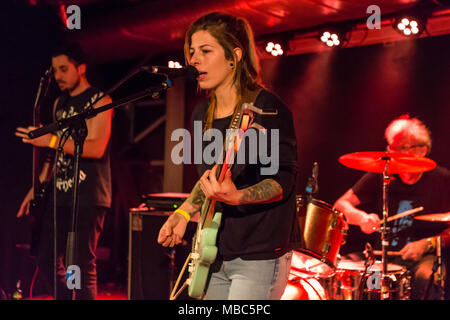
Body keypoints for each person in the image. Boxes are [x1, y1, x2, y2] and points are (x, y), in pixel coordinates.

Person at [157, 12, 299, 300]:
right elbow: (210, 178)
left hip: (258, 252)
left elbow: (283, 180)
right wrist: (184, 213)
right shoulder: (201, 113)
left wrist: (238, 197)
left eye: (206, 51)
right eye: (191, 52)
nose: (194, 60)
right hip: (214, 250)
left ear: (234, 56)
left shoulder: (266, 108)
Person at [15, 43, 113, 300]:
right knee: (45, 256)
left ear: (80, 68)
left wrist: (49, 140)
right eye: (54, 70)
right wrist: (35, 186)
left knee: (80, 263)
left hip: (89, 194)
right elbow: (56, 153)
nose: (57, 76)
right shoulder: (61, 102)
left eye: (63, 69)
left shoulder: (100, 100)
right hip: (59, 193)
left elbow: (96, 147)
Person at [334, 115, 450, 300]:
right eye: (391, 147)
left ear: (422, 150)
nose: (393, 154)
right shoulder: (382, 174)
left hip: (423, 258)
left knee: (424, 276)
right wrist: (361, 218)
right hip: (383, 255)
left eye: (401, 148)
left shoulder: (442, 180)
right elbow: (341, 204)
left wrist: (428, 243)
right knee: (361, 278)